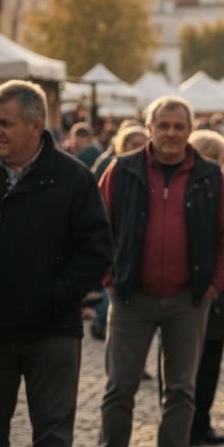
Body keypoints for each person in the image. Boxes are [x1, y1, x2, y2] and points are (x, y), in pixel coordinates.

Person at [84, 96, 224, 447]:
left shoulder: (211, 175)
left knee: (181, 390)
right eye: (164, 125)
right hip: (130, 298)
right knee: (119, 388)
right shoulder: (122, 170)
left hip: (188, 299)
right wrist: (110, 278)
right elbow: (95, 228)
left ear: (189, 130)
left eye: (178, 126)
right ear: (150, 127)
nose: (171, 133)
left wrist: (213, 284)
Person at [0, 81, 113, 447]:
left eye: (5, 123)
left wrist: (56, 295)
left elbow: (96, 248)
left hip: (51, 328)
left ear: (36, 126)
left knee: (52, 430)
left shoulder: (72, 178)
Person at [185, 130, 224, 446]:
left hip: (194, 289)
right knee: (207, 363)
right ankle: (198, 424)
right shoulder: (218, 187)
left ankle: (182, 424)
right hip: (214, 291)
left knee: (179, 363)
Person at [89, 125, 150, 341]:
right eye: (136, 145)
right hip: (116, 251)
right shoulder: (112, 167)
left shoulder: (152, 171)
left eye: (144, 144)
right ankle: (100, 324)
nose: (141, 149)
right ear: (123, 146)